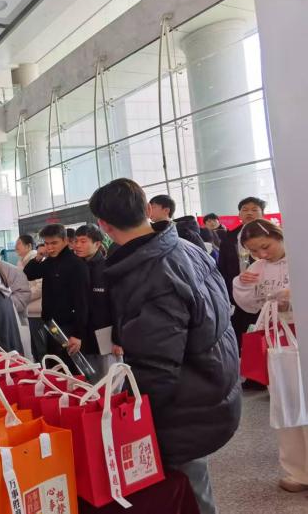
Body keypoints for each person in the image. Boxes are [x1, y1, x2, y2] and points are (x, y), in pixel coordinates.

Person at [89, 178, 240, 514]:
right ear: (146, 209)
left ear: (103, 225)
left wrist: (135, 418)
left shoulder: (148, 272)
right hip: (213, 378)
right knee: (194, 481)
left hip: (187, 400)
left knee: (186, 490)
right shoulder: (185, 246)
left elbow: (155, 365)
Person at [230, 220, 302, 492]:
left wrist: (292, 296)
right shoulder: (258, 267)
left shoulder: (300, 255)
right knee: (285, 401)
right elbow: (250, 306)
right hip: (275, 337)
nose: (261, 254)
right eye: (253, 251)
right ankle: (298, 469)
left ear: (278, 235)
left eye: (265, 246)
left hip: (299, 332)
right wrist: (242, 284)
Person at [23, 224, 90, 366]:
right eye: (47, 243)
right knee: (53, 365)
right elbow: (29, 273)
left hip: (69, 326)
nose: (50, 248)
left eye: (54, 243)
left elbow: (82, 302)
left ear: (65, 240)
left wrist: (78, 334)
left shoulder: (77, 265)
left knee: (69, 369)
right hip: (51, 323)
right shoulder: (49, 261)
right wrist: (38, 257)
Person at [218, 196, 268, 348]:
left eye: (254, 209)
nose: (249, 213)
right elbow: (223, 266)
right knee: (240, 329)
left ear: (262, 213)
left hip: (265, 291)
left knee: (264, 329)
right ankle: (243, 356)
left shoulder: (271, 234)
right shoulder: (229, 236)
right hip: (237, 291)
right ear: (239, 214)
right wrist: (226, 292)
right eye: (245, 210)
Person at [73, 224, 121, 381]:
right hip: (82, 338)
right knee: (88, 383)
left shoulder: (108, 269)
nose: (77, 245)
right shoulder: (76, 268)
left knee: (110, 383)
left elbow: (118, 307)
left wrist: (118, 340)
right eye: (76, 241)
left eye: (83, 241)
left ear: (97, 243)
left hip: (106, 338)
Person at [15, 235, 43, 361]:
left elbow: (41, 287)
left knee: (39, 348)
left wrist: (23, 296)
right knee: (33, 348)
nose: (16, 246)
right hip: (27, 311)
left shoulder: (35, 260)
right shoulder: (21, 262)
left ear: (29, 246)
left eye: (19, 243)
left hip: (37, 312)